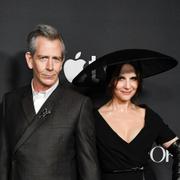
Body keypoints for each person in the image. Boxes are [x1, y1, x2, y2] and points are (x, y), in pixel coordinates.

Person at [0, 24, 100, 180]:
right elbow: (3, 160)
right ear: (29, 59)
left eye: (56, 59)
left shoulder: (79, 105)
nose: (50, 67)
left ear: (62, 62)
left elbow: (89, 168)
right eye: (43, 58)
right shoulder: (10, 101)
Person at [73, 49, 180, 180]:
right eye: (121, 78)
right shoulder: (93, 118)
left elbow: (178, 149)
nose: (128, 86)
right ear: (111, 81)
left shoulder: (148, 115)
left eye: (133, 78)